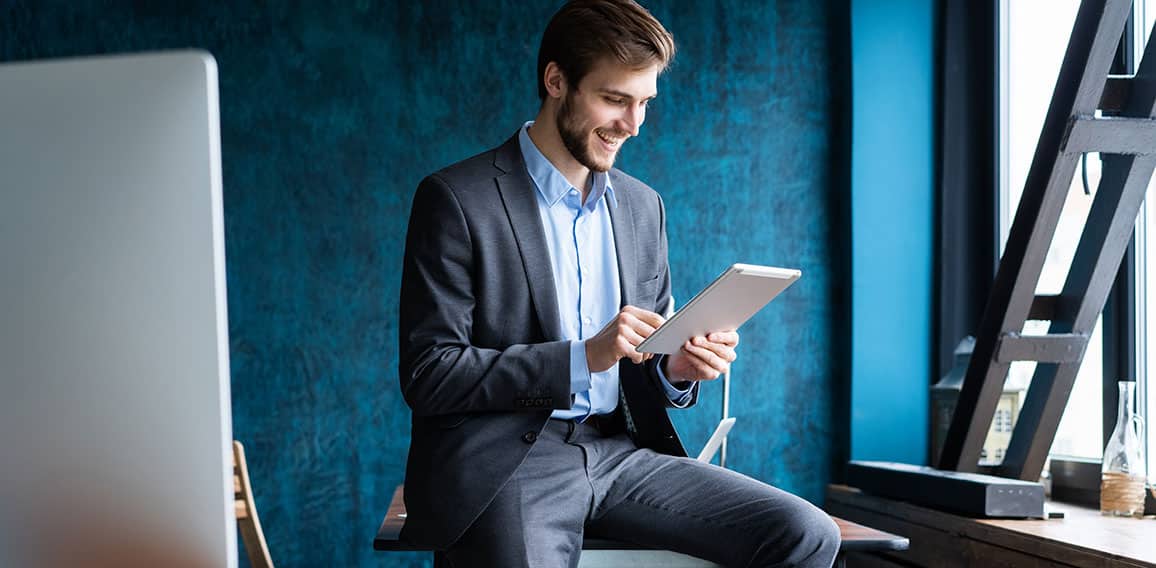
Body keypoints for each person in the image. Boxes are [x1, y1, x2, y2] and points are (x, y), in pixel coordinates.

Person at [397, 1, 840, 566]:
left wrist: (675, 368)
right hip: (510, 462)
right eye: (614, 99)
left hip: (621, 454)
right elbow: (429, 373)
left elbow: (644, 365)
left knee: (806, 534)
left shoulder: (641, 206)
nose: (632, 124)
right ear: (556, 81)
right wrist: (582, 358)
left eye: (645, 103)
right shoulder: (458, 199)